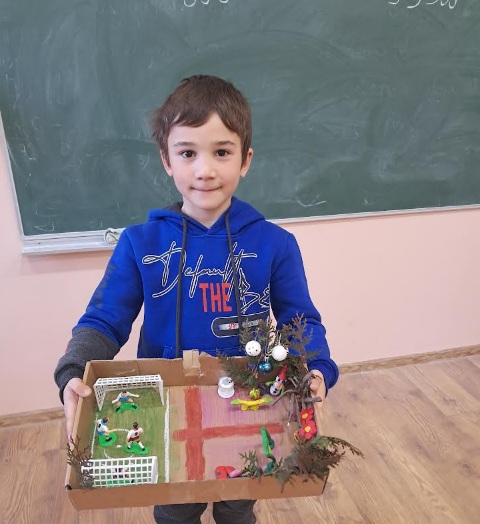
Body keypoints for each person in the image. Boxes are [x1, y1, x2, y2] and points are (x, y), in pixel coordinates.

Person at [54, 74, 339, 524]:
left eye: (221, 152)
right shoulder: (139, 243)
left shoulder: (276, 244)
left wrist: (318, 368)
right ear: (166, 160)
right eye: (188, 153)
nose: (205, 170)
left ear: (245, 160)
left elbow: (298, 323)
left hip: (250, 404)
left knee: (238, 505)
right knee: (175, 510)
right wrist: (74, 370)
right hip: (169, 407)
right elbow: (104, 321)